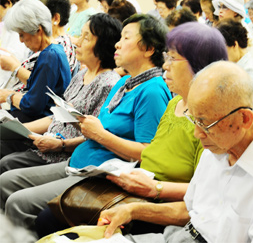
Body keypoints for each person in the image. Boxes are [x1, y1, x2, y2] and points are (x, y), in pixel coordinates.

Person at [35, 21, 228, 238]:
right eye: (167, 57)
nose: (165, 66)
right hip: (133, 182)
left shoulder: (209, 120)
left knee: (49, 220)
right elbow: (153, 152)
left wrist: (154, 188)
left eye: (173, 59)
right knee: (48, 216)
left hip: (157, 198)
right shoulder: (176, 103)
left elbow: (204, 191)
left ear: (199, 65)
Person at [98, 61, 253, 242]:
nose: (197, 133)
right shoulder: (218, 146)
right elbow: (192, 212)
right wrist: (133, 210)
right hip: (178, 236)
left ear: (244, 119)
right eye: (194, 119)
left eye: (204, 123)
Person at [0, 14, 171, 236]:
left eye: (126, 37)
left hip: (99, 174)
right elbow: (98, 129)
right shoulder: (124, 82)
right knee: (5, 181)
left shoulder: (152, 91)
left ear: (149, 49)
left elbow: (147, 152)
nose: (118, 44)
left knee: (18, 202)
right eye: (119, 37)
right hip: (79, 159)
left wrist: (96, 136)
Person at [0, 13, 122, 172]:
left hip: (63, 155)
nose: (77, 41)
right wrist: (22, 130)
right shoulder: (81, 75)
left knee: (6, 162)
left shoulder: (108, 83)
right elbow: (57, 116)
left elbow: (95, 135)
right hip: (47, 141)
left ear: (103, 45)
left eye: (86, 38)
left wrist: (61, 145)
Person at [0, 0, 71, 123]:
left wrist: (7, 96)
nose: (21, 40)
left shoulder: (50, 56)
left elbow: (33, 106)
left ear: (37, 29)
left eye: (22, 34)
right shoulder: (53, 51)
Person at [0, 0, 78, 93]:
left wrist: (15, 67)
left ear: (56, 18)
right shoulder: (50, 45)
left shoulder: (56, 49)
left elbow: (42, 87)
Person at [216, 19, 253, 90]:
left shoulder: (250, 72)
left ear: (235, 45)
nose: (221, 54)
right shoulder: (234, 66)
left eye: (223, 49)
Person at [0, 0, 29, 88]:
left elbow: (13, 60)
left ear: (8, 3)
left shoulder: (17, 24)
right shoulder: (6, 23)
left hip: (10, 86)